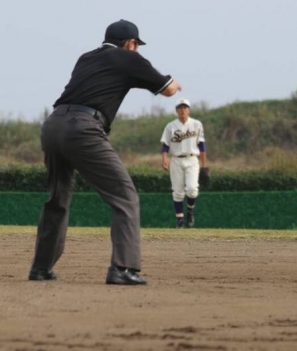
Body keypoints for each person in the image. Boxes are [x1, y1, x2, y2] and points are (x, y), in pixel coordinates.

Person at [29, 19, 182, 286]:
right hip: (83, 128)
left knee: (58, 198)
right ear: (130, 43)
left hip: (52, 126)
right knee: (125, 195)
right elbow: (167, 88)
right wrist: (176, 85)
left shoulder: (86, 58)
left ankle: (41, 268)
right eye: (137, 45)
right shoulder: (128, 57)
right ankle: (122, 267)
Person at [160, 98, 207, 228]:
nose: (182, 110)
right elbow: (165, 145)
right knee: (178, 192)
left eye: (185, 107)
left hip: (192, 159)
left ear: (189, 110)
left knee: (192, 190)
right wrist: (164, 159)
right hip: (176, 159)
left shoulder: (196, 124)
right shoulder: (170, 126)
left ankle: (190, 211)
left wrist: (204, 165)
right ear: (176, 110)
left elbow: (202, 145)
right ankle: (180, 221)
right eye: (180, 108)